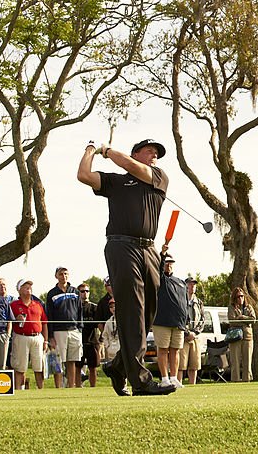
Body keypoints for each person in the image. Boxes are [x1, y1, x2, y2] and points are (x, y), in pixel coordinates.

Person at [78, 137, 175, 396]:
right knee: (133, 310)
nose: (154, 155)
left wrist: (107, 150)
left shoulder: (158, 176)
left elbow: (136, 169)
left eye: (157, 152)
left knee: (147, 315)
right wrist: (91, 149)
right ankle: (141, 381)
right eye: (149, 150)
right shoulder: (116, 181)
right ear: (134, 153)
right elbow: (84, 175)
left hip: (149, 249)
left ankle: (119, 366)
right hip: (122, 247)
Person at [152, 250, 187, 389]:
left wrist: (186, 322)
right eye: (166, 263)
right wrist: (162, 254)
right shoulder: (159, 278)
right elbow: (158, 268)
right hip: (162, 321)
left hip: (178, 322)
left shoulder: (181, 282)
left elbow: (184, 302)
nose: (168, 265)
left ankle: (174, 378)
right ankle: (164, 378)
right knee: (163, 350)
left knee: (175, 350)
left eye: (170, 263)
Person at [45, 266, 83, 389]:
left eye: (66, 274)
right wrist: (51, 335)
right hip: (59, 331)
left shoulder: (75, 292)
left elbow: (80, 311)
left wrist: (79, 328)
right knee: (58, 361)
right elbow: (49, 315)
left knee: (72, 360)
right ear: (56, 276)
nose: (64, 276)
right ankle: (59, 387)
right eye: (61, 274)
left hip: (74, 330)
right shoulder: (52, 293)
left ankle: (71, 386)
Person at [10, 279, 48, 390]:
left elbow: (44, 323)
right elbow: (9, 322)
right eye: (25, 286)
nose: (29, 288)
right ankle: (19, 389)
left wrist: (45, 340)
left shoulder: (38, 304)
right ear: (19, 290)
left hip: (37, 337)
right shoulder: (13, 305)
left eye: (30, 286)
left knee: (39, 366)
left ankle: (40, 390)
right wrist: (16, 319)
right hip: (21, 337)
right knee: (20, 367)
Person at [178, 276, 204, 386]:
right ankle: (177, 384)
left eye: (194, 284)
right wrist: (186, 333)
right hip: (183, 337)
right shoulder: (180, 300)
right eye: (189, 284)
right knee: (180, 364)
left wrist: (195, 333)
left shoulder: (199, 302)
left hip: (195, 337)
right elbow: (178, 318)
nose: (192, 286)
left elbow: (202, 320)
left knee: (194, 364)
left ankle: (192, 386)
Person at [227, 286, 256, 382]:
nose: (240, 298)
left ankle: (246, 380)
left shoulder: (249, 307)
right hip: (235, 337)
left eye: (242, 296)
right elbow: (232, 321)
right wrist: (244, 322)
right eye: (238, 297)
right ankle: (235, 380)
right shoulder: (231, 307)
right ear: (234, 298)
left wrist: (242, 317)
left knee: (247, 362)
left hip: (248, 337)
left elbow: (253, 319)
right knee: (235, 361)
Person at [78, 283, 100, 387]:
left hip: (92, 341)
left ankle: (93, 388)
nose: (85, 293)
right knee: (77, 367)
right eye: (82, 291)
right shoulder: (76, 308)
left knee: (93, 367)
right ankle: (77, 387)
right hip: (79, 341)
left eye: (87, 291)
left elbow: (99, 324)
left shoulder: (95, 307)